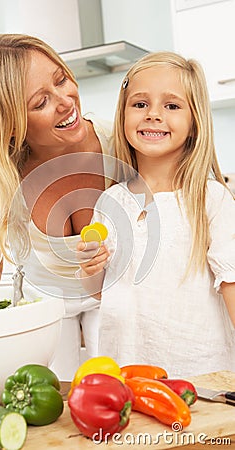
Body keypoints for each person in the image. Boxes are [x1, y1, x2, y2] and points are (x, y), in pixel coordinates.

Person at [0, 34, 117, 380]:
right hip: (44, 313)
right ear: (9, 123)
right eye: (41, 102)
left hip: (115, 303)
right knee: (52, 408)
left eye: (61, 79)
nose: (65, 101)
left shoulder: (120, 146)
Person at [77, 51, 235, 377]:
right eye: (140, 104)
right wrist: (90, 267)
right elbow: (97, 290)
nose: (153, 115)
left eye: (172, 106)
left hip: (201, 374)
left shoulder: (210, 199)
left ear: (194, 125)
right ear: (123, 115)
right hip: (125, 373)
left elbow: (231, 283)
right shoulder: (110, 201)